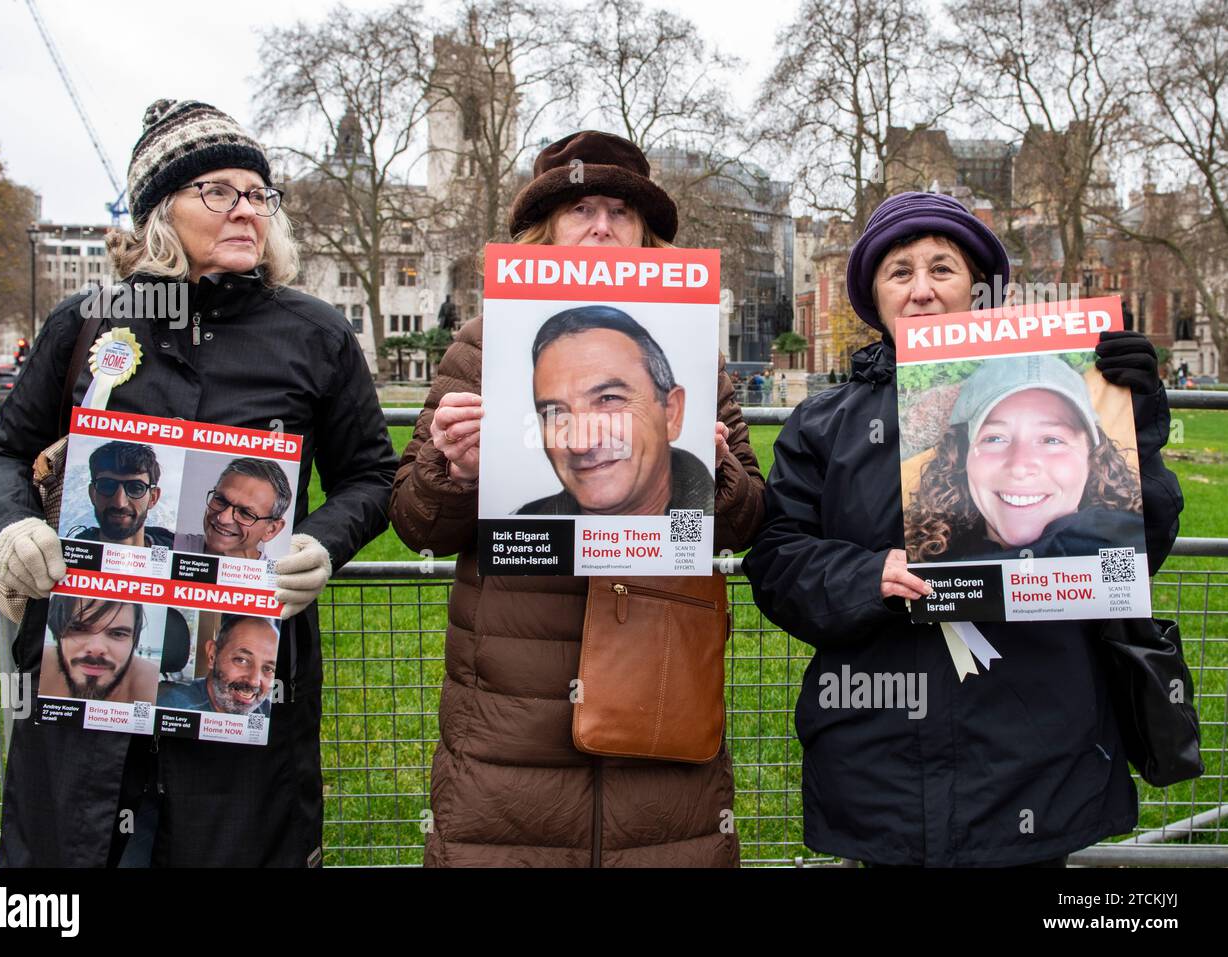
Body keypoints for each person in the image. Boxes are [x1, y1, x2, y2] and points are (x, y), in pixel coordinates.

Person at [0, 99, 397, 867]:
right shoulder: (88, 324)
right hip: (88, 684)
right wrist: (8, 530)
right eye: (218, 192)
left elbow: (368, 473)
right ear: (164, 211)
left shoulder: (317, 333)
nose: (246, 211)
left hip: (242, 688)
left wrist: (321, 543)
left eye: (259, 193)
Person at [744, 191, 1183, 867]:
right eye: (899, 272)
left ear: (980, 290)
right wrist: (868, 576)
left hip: (1036, 758)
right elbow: (776, 563)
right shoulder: (823, 423)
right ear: (873, 294)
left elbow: (1137, 554)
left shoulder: (1064, 392)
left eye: (942, 269)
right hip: (881, 765)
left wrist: (1137, 437)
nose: (921, 290)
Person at [389, 129, 765, 867]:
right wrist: (450, 469)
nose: (601, 226)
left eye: (621, 213)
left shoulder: (694, 349)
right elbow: (413, 521)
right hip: (509, 726)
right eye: (580, 209)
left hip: (660, 701)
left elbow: (749, 519)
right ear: (545, 232)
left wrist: (716, 476)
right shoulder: (483, 343)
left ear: (646, 235)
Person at [906, 354, 1145, 562]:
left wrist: (1150, 404)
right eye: (995, 438)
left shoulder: (1126, 544)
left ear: (1092, 456)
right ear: (961, 456)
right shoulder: (928, 559)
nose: (1020, 467)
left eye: (1052, 440)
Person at [516, 305, 712, 516]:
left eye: (608, 399)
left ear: (671, 413)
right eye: (554, 413)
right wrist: (473, 484)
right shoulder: (522, 530)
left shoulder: (717, 526)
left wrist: (728, 474)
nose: (579, 444)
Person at [39, 596, 159, 703]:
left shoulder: (151, 686)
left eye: (117, 634)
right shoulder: (34, 664)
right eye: (79, 629)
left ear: (133, 641)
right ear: (58, 632)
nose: (97, 648)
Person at [157, 614, 277, 716]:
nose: (254, 682)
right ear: (212, 655)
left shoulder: (268, 713)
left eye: (268, 669)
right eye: (241, 660)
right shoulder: (174, 709)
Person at [173, 457, 290, 559]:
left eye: (245, 513)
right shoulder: (166, 544)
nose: (223, 518)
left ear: (271, 530)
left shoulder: (278, 581)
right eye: (220, 500)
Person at [71, 440, 174, 548]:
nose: (119, 503)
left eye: (135, 488)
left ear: (153, 498)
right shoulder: (64, 554)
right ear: (92, 494)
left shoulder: (177, 559)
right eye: (107, 486)